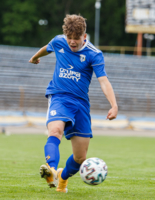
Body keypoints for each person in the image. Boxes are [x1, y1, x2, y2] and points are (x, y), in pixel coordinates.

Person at [29, 14, 118, 193]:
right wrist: (35, 57)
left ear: (84, 36)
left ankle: (62, 179)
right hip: (59, 97)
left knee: (80, 157)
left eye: (75, 38)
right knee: (55, 131)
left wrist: (114, 105)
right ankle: (52, 170)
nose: (71, 42)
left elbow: (103, 81)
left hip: (80, 105)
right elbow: (48, 48)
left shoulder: (94, 54)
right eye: (69, 38)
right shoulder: (59, 42)